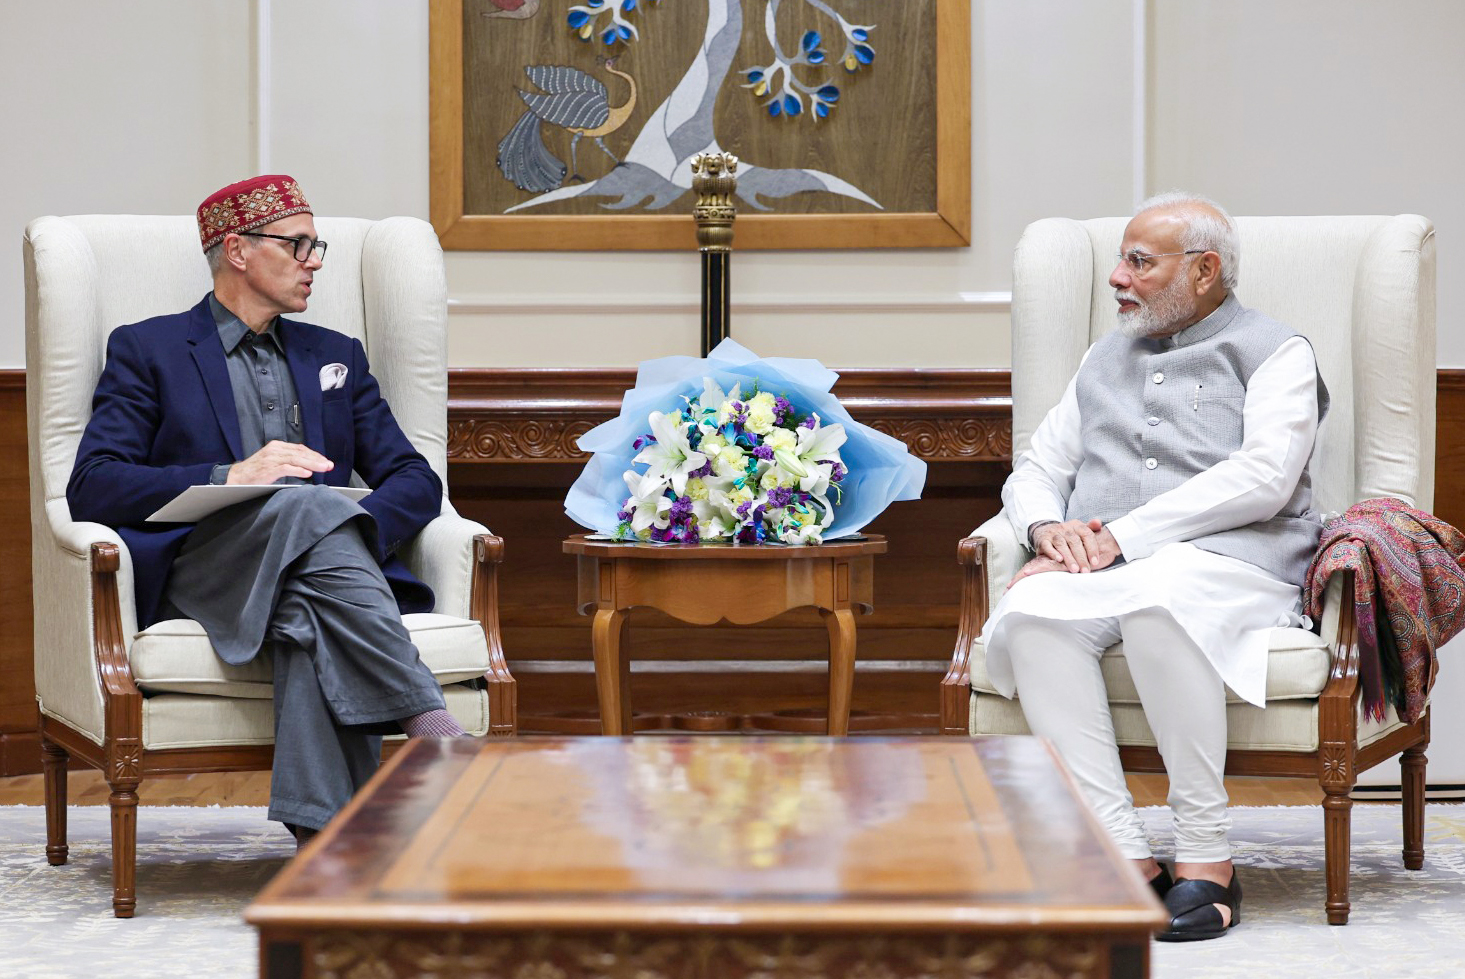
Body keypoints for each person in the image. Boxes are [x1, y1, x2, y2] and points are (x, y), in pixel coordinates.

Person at [67, 174, 467, 846]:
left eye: (318, 246)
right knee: (304, 505)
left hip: (320, 571)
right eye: (298, 244)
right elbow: (95, 483)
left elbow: (413, 476)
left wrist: (350, 530)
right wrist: (231, 474)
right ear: (239, 250)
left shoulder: (335, 356)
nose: (314, 261)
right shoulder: (150, 349)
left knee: (308, 584)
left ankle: (331, 844)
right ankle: (430, 721)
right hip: (204, 565)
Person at [980, 192, 1328, 941]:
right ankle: (1120, 855)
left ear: (1204, 270)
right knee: (1033, 612)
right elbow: (1039, 465)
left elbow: (1265, 476)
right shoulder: (1102, 357)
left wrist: (1121, 537)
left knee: (1160, 602)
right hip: (1107, 565)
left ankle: (1206, 858)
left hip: (1234, 560)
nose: (1116, 277)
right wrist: (1047, 527)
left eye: (1139, 261)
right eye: (1120, 260)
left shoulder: (1276, 351)